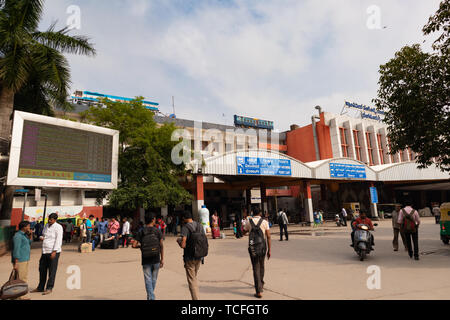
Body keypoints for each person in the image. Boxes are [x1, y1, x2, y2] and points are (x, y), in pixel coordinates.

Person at [132, 212, 164, 300]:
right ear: (153, 220)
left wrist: (141, 246)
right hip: (156, 258)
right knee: (153, 280)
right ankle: (151, 297)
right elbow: (161, 246)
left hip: (145, 259)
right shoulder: (157, 231)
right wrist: (162, 259)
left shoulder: (141, 231)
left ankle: (150, 297)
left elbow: (134, 245)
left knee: (148, 280)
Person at [31, 213, 63, 295]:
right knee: (42, 269)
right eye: (49, 219)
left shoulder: (58, 227)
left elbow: (58, 240)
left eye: (51, 219)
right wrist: (41, 237)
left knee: (52, 271)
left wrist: (54, 251)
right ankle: (40, 287)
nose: (49, 221)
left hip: (53, 251)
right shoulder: (46, 226)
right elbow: (44, 235)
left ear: (55, 220)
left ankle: (49, 287)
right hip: (44, 251)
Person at [243, 207, 271, 299]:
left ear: (252, 213)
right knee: (262, 265)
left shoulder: (248, 222)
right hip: (262, 247)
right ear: (260, 213)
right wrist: (269, 250)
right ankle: (261, 284)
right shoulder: (265, 222)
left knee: (255, 267)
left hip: (252, 247)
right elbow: (268, 236)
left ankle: (258, 291)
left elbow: (244, 232)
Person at [177, 211, 205, 300]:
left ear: (184, 218)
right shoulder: (200, 226)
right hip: (200, 255)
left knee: (192, 281)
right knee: (194, 278)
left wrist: (179, 241)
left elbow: (183, 245)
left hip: (190, 257)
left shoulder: (185, 228)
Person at [12, 221, 33, 300]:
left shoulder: (24, 235)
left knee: (22, 277)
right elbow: (16, 249)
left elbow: (29, 243)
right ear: (24, 227)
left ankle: (17, 295)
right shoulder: (18, 236)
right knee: (21, 278)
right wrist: (16, 262)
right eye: (28, 226)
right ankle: (20, 296)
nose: (29, 228)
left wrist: (30, 235)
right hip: (20, 260)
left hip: (25, 259)